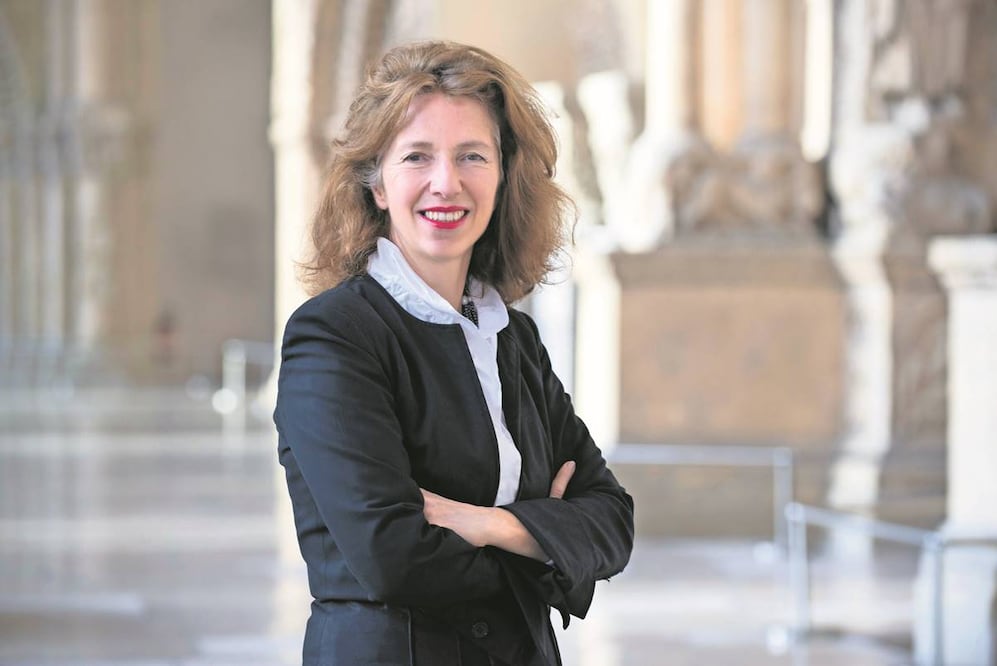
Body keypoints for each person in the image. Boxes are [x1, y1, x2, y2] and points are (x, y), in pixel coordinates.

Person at [274, 40, 634, 666]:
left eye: (473, 155)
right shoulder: (333, 336)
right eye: (417, 156)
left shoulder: (512, 336)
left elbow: (612, 519)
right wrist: (548, 537)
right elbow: (392, 557)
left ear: (502, 177)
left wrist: (489, 524)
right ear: (377, 185)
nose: (447, 182)